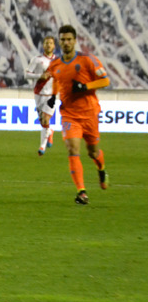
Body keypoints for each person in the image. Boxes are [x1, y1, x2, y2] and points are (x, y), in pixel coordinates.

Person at [46, 25, 110, 205]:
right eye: (63, 40)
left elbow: (105, 80)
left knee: (93, 152)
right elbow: (57, 80)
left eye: (69, 39)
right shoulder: (55, 64)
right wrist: (52, 96)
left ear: (75, 41)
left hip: (89, 113)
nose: (66, 43)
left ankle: (102, 168)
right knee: (72, 149)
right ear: (59, 42)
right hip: (69, 114)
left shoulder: (87, 60)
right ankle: (82, 192)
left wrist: (85, 87)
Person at [25, 35, 58, 155]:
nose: (48, 45)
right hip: (39, 93)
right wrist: (40, 76)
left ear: (54, 46)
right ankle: (50, 132)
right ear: (43, 45)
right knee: (42, 122)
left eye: (50, 43)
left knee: (45, 118)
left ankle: (42, 147)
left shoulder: (58, 62)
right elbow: (27, 74)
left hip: (51, 95)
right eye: (46, 43)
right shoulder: (37, 60)